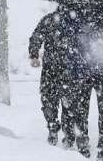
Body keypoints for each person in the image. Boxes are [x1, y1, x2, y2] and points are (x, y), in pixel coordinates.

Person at [59, 1, 103, 161]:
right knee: (81, 109)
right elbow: (64, 35)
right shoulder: (74, 9)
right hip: (81, 68)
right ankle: (82, 148)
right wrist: (82, 35)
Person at [29, 8, 75, 147]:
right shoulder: (74, 20)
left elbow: (36, 36)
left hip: (54, 68)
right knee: (67, 103)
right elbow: (36, 36)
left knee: (51, 100)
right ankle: (64, 132)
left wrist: (34, 54)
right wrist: (34, 54)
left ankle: (55, 127)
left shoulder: (50, 19)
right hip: (67, 69)